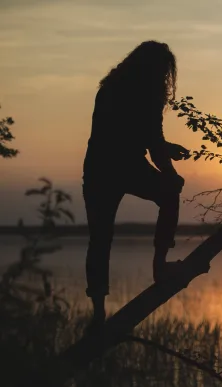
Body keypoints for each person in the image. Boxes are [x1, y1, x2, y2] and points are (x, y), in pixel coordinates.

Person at [82, 41, 189, 329]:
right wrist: (169, 172)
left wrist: (166, 149)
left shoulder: (110, 89)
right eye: (163, 69)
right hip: (122, 166)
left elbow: (135, 135)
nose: (165, 75)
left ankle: (97, 312)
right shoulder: (148, 95)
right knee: (170, 193)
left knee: (100, 239)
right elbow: (149, 139)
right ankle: (159, 267)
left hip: (99, 168)